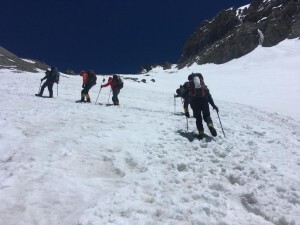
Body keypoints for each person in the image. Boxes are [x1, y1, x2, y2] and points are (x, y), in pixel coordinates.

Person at [188, 73, 219, 139]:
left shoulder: (190, 85)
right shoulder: (203, 85)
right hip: (204, 101)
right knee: (207, 116)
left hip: (195, 103)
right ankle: (210, 126)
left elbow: (188, 97)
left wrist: (187, 108)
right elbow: (209, 96)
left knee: (198, 118)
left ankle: (201, 133)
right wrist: (213, 105)